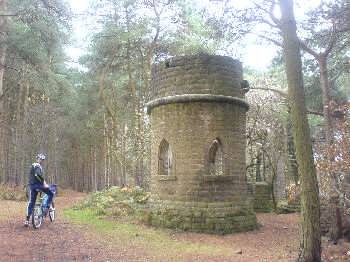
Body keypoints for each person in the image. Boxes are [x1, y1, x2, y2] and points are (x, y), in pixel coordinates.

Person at [24, 153, 54, 226]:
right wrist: (44, 182)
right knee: (51, 193)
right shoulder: (37, 166)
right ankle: (47, 207)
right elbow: (37, 175)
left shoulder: (32, 165)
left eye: (42, 160)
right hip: (39, 185)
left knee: (31, 202)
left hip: (32, 186)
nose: (41, 161)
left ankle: (27, 220)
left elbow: (33, 176)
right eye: (40, 159)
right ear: (37, 159)